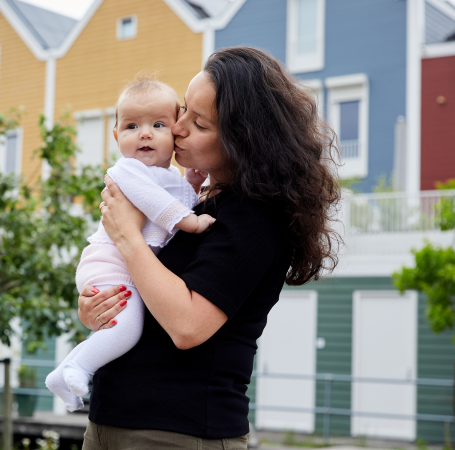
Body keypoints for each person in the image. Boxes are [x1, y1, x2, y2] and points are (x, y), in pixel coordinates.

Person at [76, 47, 341, 449]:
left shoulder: (254, 217)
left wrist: (128, 238)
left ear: (241, 140)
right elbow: (149, 292)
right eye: (183, 111)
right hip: (113, 418)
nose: (177, 128)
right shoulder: (193, 199)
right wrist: (99, 305)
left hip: (176, 432)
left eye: (198, 123)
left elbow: (187, 326)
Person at [45, 75, 215, 412]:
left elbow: (168, 204)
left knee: (120, 326)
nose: (145, 133)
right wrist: (191, 221)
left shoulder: (168, 177)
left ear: (175, 132)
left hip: (122, 266)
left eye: (158, 124)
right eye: (132, 126)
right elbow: (155, 204)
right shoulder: (127, 170)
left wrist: (194, 186)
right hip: (109, 264)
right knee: (128, 329)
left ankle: (63, 372)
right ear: (116, 135)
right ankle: (79, 368)